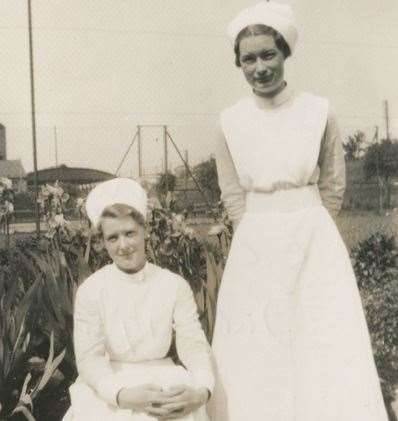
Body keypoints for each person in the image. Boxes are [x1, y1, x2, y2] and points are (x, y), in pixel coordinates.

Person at [208, 2, 388, 420]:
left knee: (320, 339)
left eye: (268, 54)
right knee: (259, 344)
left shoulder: (318, 111)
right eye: (248, 58)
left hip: (313, 238)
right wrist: (255, 232)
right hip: (256, 242)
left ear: (285, 53)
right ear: (239, 63)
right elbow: (231, 191)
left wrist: (311, 225)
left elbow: (333, 184)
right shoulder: (229, 121)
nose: (260, 67)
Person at [63, 178, 214, 421]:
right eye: (113, 238)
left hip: (164, 379)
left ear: (145, 231)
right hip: (111, 384)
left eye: (130, 233)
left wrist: (201, 392)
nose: (123, 246)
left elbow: (195, 347)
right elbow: (89, 359)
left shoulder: (173, 285)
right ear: (102, 242)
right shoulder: (91, 291)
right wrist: (122, 395)